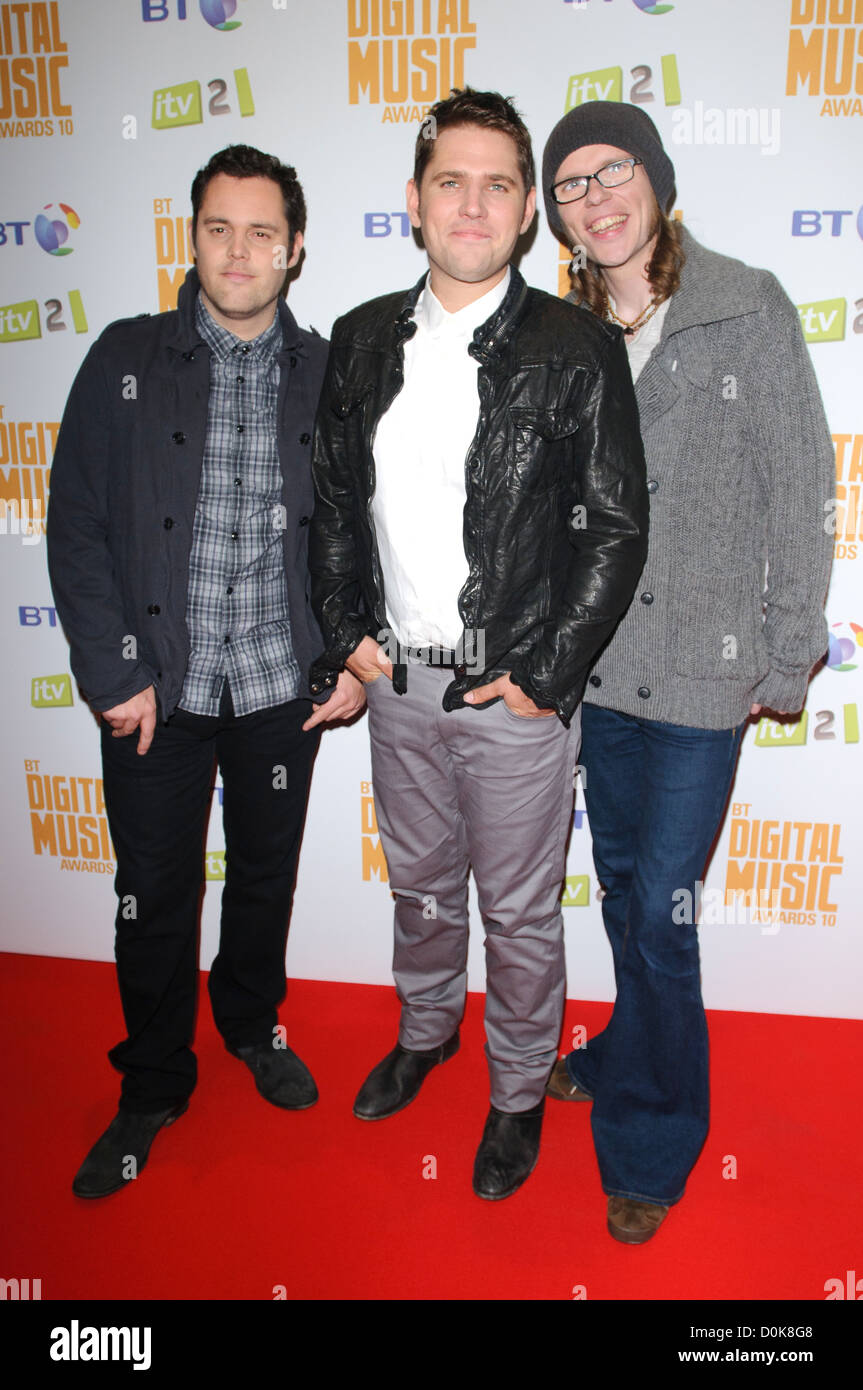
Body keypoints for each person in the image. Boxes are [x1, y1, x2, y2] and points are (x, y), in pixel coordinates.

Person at [309, 88, 648, 1201]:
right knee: (418, 889)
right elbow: (329, 504)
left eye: (497, 182)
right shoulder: (359, 338)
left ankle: (512, 1091)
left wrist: (545, 676)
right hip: (394, 686)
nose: (471, 201)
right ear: (413, 201)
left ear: (522, 213)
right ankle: (423, 1032)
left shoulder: (575, 345)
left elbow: (613, 523)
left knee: (515, 908)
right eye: (449, 179)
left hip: (509, 695)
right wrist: (348, 634)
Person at [47, 144, 364, 1199]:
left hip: (282, 686)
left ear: (296, 246)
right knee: (154, 893)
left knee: (264, 881)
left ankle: (249, 1023)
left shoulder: (328, 374)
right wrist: (110, 667)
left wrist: (351, 654)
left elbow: (363, 534)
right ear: (191, 237)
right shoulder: (125, 358)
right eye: (218, 228)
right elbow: (78, 522)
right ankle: (150, 1083)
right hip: (157, 692)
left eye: (262, 231)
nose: (239, 251)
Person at [541, 102, 834, 1243]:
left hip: (707, 674)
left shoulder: (742, 304)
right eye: (569, 185)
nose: (594, 197)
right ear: (554, 217)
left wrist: (787, 643)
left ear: (654, 182)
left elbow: (799, 482)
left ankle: (652, 1136)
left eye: (611, 172)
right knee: (621, 889)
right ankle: (627, 1041)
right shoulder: (565, 331)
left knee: (659, 907)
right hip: (602, 668)